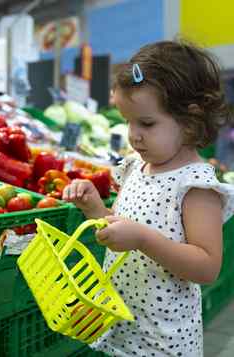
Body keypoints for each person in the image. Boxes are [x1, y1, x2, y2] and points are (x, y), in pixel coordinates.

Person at [62, 41, 234, 357]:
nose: (133, 134)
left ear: (190, 119)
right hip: (123, 325)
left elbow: (207, 266)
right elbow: (122, 226)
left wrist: (142, 239)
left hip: (163, 342)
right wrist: (95, 209)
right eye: (128, 120)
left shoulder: (194, 186)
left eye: (147, 123)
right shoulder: (136, 167)